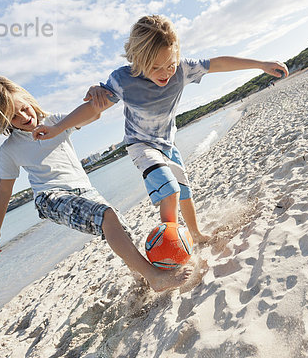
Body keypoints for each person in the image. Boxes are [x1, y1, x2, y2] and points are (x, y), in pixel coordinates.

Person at [33, 14, 289, 244]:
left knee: (184, 192)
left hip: (168, 142)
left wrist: (261, 64)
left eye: (170, 64)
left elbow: (218, 64)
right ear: (137, 60)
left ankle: (196, 234)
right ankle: (171, 246)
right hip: (141, 145)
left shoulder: (182, 69)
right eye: (155, 67)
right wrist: (58, 128)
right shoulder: (123, 80)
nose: (165, 73)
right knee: (170, 190)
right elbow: (93, 109)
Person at [0, 76, 192, 292]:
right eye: (14, 116)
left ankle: (142, 282)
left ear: (30, 101)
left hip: (85, 190)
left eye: (24, 108)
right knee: (106, 215)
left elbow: (92, 114)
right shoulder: (9, 150)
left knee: (120, 230)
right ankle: (155, 278)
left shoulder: (56, 122)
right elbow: (3, 191)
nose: (24, 116)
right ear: (6, 122)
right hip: (50, 197)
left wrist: (97, 93)